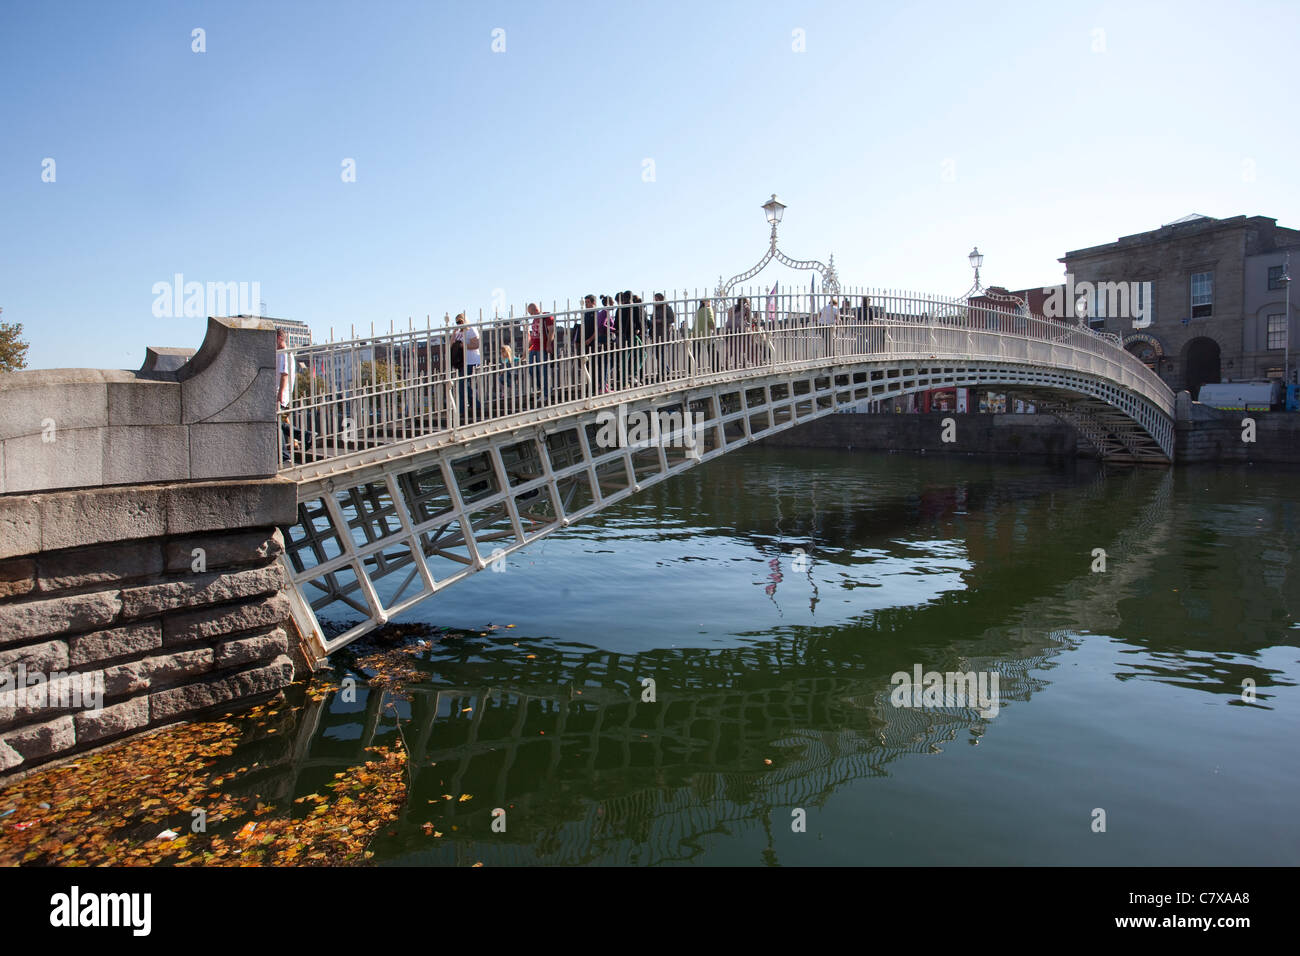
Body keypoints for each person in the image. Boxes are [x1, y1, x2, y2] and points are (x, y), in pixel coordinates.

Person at [450, 312, 482, 423]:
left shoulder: (471, 330)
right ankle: (470, 405)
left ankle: (467, 407)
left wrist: (465, 346)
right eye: (457, 322)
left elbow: (476, 345)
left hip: (470, 361)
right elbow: (451, 345)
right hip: (461, 361)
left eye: (460, 321)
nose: (459, 323)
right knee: (461, 384)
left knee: (462, 384)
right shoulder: (458, 332)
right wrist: (454, 334)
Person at [526, 302, 555, 402]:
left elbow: (551, 331)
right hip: (534, 347)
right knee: (531, 369)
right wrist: (527, 349)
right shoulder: (535, 319)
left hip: (542, 347)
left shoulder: (546, 317)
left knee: (543, 370)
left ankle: (546, 392)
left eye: (531, 313)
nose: (531, 315)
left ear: (535, 310)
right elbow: (533, 335)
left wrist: (548, 344)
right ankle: (543, 388)